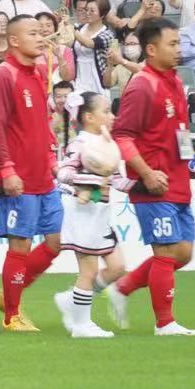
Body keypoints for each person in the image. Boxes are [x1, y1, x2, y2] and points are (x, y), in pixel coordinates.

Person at [103, 19, 195, 336]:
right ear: (151, 49)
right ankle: (165, 323)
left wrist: (190, 160)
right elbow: (122, 135)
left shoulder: (175, 81)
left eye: (179, 43)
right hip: (153, 183)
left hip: (177, 178)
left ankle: (122, 288)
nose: (179, 49)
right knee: (166, 252)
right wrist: (145, 173)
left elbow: (180, 130)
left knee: (183, 253)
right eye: (172, 44)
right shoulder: (142, 85)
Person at [0, 16, 61, 330]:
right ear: (14, 40)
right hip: (18, 176)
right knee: (20, 245)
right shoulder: (3, 75)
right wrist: (6, 169)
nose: (41, 38)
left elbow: (42, 121)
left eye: (42, 33)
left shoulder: (40, 72)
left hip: (44, 175)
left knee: (55, 243)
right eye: (33, 33)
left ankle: (9, 294)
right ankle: (12, 315)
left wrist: (51, 155)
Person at [49, 92, 131, 338]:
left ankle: (70, 300)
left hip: (100, 214)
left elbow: (117, 180)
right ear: (89, 117)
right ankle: (81, 325)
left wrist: (144, 185)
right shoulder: (80, 144)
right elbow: (63, 173)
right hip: (82, 214)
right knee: (89, 271)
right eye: (106, 111)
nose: (112, 116)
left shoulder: (107, 144)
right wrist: (89, 180)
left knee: (117, 267)